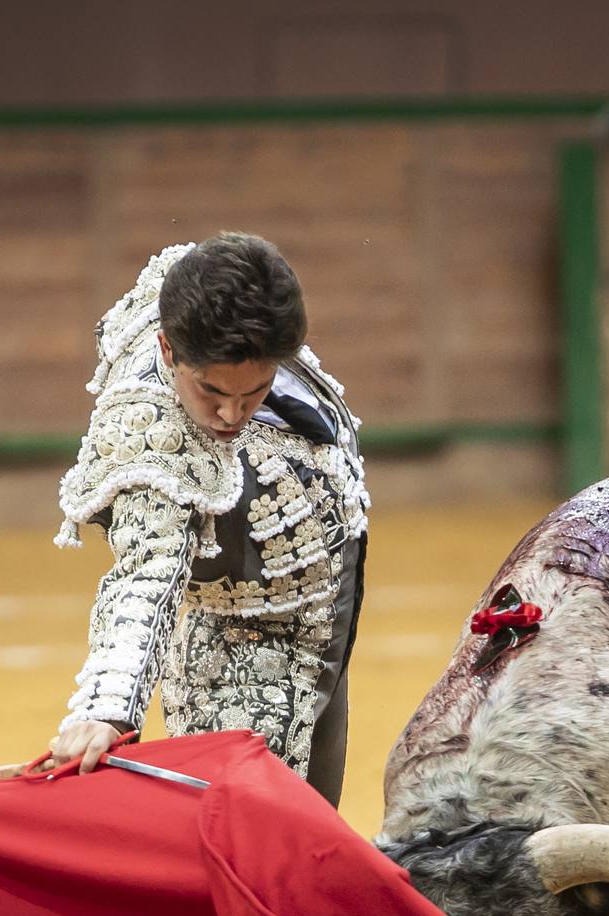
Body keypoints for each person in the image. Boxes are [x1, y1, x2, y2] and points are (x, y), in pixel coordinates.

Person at [48, 234, 369, 806]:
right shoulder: (154, 437)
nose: (229, 414)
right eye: (210, 391)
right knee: (258, 851)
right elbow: (145, 575)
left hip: (324, 625)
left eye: (254, 392)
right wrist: (108, 710)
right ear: (169, 351)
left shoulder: (210, 300)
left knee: (309, 836)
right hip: (236, 662)